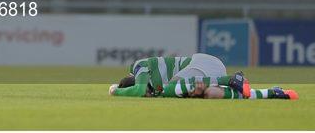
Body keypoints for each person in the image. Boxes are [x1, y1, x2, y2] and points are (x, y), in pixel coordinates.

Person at [108, 53, 298, 99]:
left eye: (148, 92)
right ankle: (273, 93)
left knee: (168, 90)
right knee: (210, 94)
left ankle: (230, 79)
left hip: (204, 63)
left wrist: (115, 91)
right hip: (206, 73)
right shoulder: (154, 86)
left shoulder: (139, 66)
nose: (147, 93)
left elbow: (140, 89)